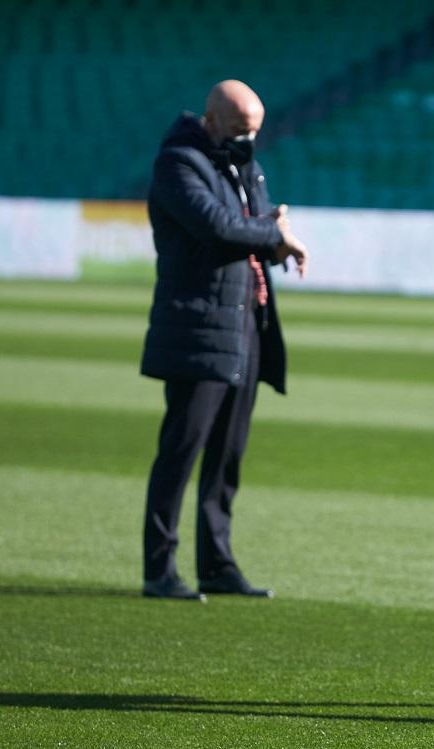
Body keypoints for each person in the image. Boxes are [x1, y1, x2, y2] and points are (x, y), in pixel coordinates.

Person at [139, 80, 309, 602]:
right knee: (181, 452)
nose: (248, 139)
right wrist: (273, 233)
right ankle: (159, 570)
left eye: (254, 131)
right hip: (197, 328)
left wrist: (271, 239)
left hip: (243, 325)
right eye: (239, 129)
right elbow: (218, 227)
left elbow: (251, 226)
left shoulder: (240, 162)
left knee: (227, 456)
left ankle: (217, 563)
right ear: (212, 121)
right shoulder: (179, 163)